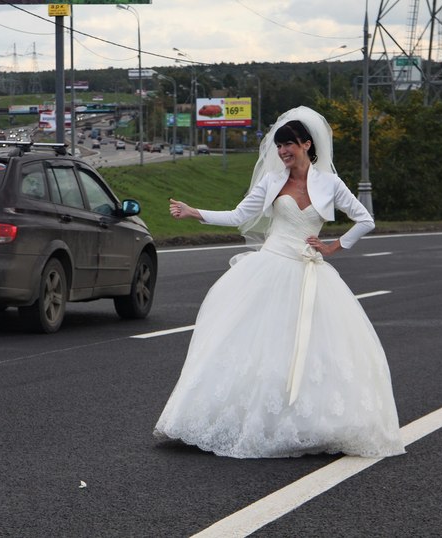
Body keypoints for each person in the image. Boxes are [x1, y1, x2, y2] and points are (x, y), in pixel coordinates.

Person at [154, 106, 405, 459]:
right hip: (270, 268)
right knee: (256, 344)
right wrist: (195, 212)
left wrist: (335, 245)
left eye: (289, 145)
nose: (283, 152)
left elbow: (365, 219)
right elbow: (240, 215)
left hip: (308, 273)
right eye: (278, 146)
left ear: (306, 144)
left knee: (316, 350)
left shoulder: (329, 183)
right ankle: (240, 418)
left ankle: (308, 423)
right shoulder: (272, 181)